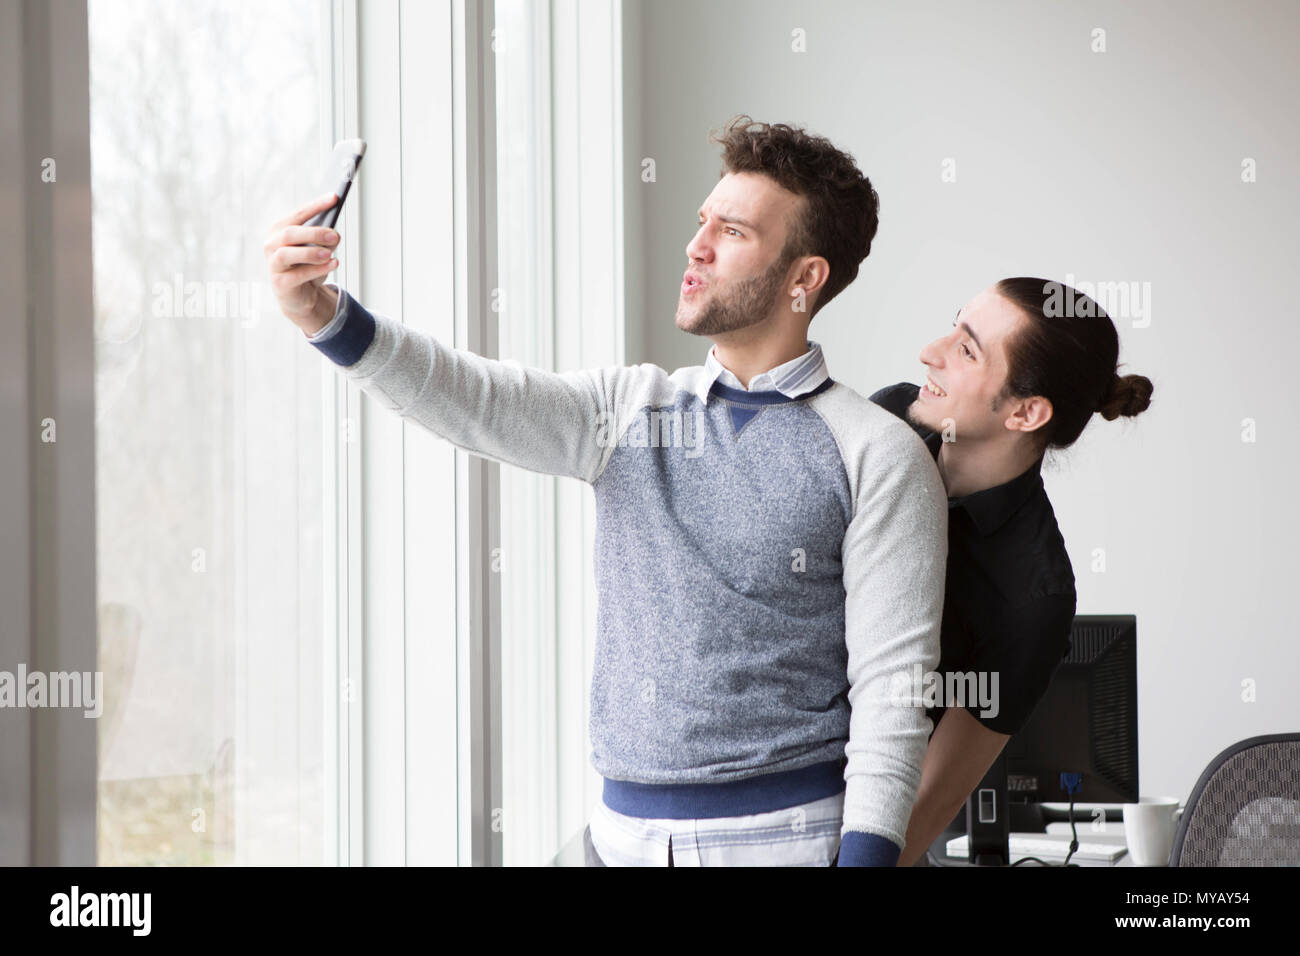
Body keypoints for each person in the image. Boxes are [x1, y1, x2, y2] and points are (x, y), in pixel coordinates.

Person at [264, 117, 947, 866]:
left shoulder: (877, 453)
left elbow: (892, 694)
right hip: (618, 840)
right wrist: (325, 317)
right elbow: (473, 396)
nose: (697, 245)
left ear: (804, 277)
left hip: (783, 841)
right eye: (701, 221)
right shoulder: (631, 410)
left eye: (733, 231)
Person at [868, 278, 1153, 866]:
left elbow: (924, 807)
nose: (930, 351)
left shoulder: (1034, 595)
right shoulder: (890, 419)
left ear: (1025, 412)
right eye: (954, 326)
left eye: (967, 350)